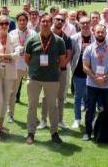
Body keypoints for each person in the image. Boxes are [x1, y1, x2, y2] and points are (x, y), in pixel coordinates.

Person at [24, 13, 67, 145]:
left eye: (48, 21)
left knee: (52, 107)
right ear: (40, 22)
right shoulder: (32, 39)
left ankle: (54, 133)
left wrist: (52, 70)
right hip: (34, 78)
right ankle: (31, 133)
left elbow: (62, 60)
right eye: (43, 21)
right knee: (32, 106)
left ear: (52, 22)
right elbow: (27, 58)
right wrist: (35, 69)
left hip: (52, 79)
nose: (45, 24)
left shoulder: (59, 41)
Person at [81, 24, 108, 141]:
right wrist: (95, 78)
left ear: (105, 33)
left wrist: (104, 77)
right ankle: (88, 132)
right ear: (94, 33)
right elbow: (85, 66)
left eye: (102, 32)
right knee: (90, 109)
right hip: (92, 84)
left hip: (107, 85)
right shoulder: (89, 49)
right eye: (98, 32)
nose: (100, 34)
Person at [0, 15, 19, 140]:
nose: (4, 26)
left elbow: (17, 54)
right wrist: (7, 56)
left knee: (6, 99)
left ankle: (0, 126)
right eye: (1, 23)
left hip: (10, 72)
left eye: (6, 23)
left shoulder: (13, 38)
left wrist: (1, 56)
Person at [39, 13, 71, 130]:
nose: (60, 22)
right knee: (45, 97)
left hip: (61, 71)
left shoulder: (66, 38)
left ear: (64, 23)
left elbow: (69, 55)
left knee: (61, 96)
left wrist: (60, 66)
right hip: (47, 71)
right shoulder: (46, 35)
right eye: (57, 19)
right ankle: (43, 120)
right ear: (53, 21)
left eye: (62, 20)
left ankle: (60, 120)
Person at [7, 12, 36, 122]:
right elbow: (9, 49)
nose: (22, 22)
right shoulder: (12, 34)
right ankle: (10, 114)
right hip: (17, 65)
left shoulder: (33, 34)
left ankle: (32, 115)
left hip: (30, 65)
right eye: (20, 20)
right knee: (13, 91)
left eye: (24, 20)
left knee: (32, 92)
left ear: (27, 21)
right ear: (17, 21)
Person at [69, 16, 92, 129]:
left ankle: (89, 118)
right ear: (79, 25)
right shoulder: (74, 38)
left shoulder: (96, 37)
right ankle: (77, 119)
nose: (85, 25)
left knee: (90, 97)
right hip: (78, 72)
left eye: (87, 23)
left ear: (90, 24)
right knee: (78, 97)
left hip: (92, 73)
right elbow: (71, 54)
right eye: (83, 23)